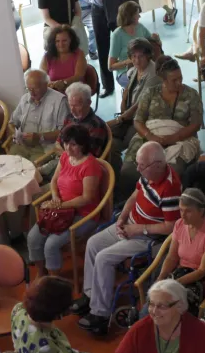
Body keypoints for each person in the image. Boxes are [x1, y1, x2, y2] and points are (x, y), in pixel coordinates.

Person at [75, 142, 181, 334]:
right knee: (92, 243)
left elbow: (171, 227)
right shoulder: (149, 174)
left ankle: (100, 314)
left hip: (146, 237)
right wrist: (122, 218)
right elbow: (134, 195)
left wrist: (139, 229)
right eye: (138, 164)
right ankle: (91, 295)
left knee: (103, 258)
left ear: (158, 164)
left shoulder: (170, 188)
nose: (138, 169)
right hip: (130, 224)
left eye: (142, 165)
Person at [28, 125, 103, 278]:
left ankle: (54, 280)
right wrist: (55, 198)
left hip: (84, 215)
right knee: (33, 237)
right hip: (61, 210)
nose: (68, 148)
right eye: (66, 143)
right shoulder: (65, 157)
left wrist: (59, 205)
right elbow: (54, 181)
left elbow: (86, 198)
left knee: (51, 244)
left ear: (83, 144)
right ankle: (42, 274)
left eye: (73, 144)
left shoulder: (90, 165)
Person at [121, 56, 202, 195]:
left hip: (181, 139)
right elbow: (138, 121)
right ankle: (138, 202)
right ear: (163, 80)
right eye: (174, 80)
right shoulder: (150, 93)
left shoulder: (191, 94)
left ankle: (166, 203)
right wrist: (150, 136)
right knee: (128, 170)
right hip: (148, 136)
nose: (179, 83)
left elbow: (195, 124)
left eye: (180, 78)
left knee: (173, 171)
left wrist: (174, 137)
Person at [82, 0, 141, 98]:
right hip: (98, 10)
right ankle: (107, 86)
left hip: (118, 10)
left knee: (125, 45)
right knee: (103, 48)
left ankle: (130, 78)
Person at [157, 188, 205, 314]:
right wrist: (161, 278)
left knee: (171, 306)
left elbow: (202, 271)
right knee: (156, 300)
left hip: (201, 278)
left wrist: (175, 284)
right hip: (181, 272)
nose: (182, 215)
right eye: (181, 209)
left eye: (188, 211)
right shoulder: (179, 224)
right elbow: (172, 257)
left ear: (201, 211)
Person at [109, 38, 161, 164]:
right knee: (105, 139)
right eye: (133, 56)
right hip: (129, 116)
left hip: (144, 118)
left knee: (125, 142)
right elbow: (126, 92)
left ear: (149, 56)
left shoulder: (153, 73)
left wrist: (119, 119)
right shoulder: (135, 70)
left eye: (141, 56)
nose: (137, 60)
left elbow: (140, 104)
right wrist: (123, 111)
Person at [8, 70, 68, 166]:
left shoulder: (60, 101)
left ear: (45, 85)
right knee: (8, 166)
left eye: (35, 89)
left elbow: (65, 133)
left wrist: (40, 137)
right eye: (28, 89)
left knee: (29, 171)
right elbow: (12, 122)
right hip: (23, 145)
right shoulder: (25, 98)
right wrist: (15, 134)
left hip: (45, 149)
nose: (32, 93)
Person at [109, 2, 156, 88]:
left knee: (157, 78)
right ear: (130, 17)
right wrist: (129, 61)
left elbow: (152, 42)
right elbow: (111, 66)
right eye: (137, 14)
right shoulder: (117, 35)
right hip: (125, 72)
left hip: (144, 66)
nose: (139, 16)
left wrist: (157, 39)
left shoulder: (140, 27)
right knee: (144, 84)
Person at [62, 83, 110, 160]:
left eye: (77, 105)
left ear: (88, 103)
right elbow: (59, 141)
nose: (72, 110)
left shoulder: (96, 126)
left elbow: (89, 156)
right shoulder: (69, 118)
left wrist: (64, 154)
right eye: (70, 105)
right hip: (63, 159)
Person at [40, 25, 88, 93]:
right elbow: (41, 78)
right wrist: (52, 84)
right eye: (57, 41)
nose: (61, 44)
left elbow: (79, 76)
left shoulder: (79, 54)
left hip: (75, 93)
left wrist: (64, 83)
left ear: (71, 40)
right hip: (53, 93)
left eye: (64, 40)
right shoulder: (47, 56)